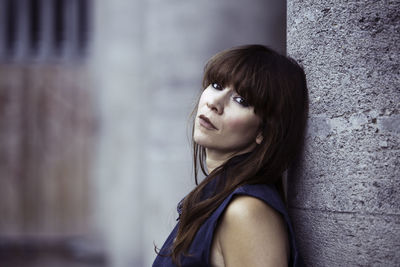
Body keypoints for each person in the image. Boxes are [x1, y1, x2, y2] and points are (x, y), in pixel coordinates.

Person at [153, 44, 308, 267]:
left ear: (263, 131)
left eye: (241, 100)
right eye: (217, 85)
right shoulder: (216, 197)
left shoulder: (246, 211)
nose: (214, 103)